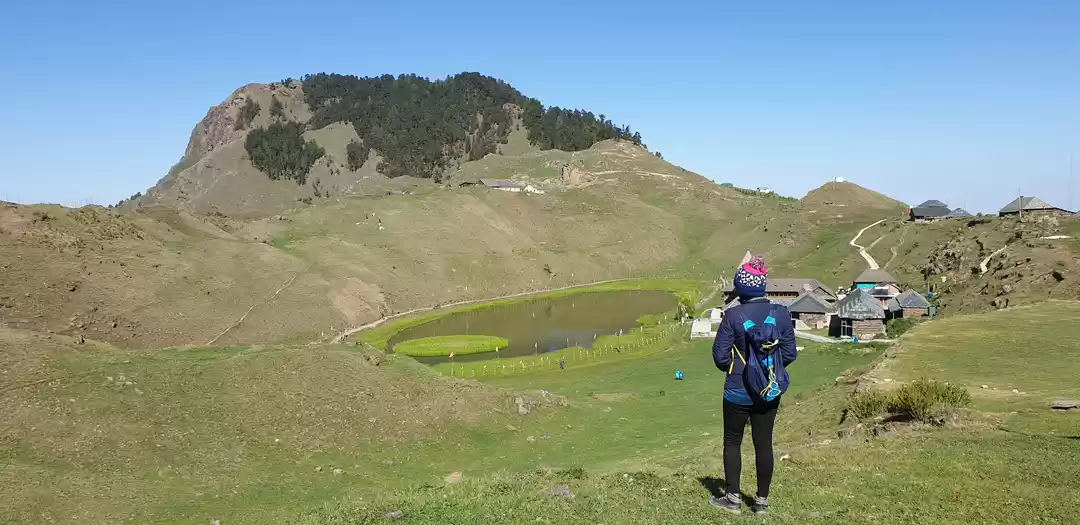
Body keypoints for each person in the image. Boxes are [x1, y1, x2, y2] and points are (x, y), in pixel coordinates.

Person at [710, 255, 797, 515]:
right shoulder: (780, 313)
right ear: (762, 285)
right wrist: (769, 370)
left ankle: (733, 499)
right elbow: (790, 353)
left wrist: (734, 368)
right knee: (764, 443)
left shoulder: (733, 315)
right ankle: (761, 503)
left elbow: (719, 355)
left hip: (737, 390)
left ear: (741, 287)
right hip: (769, 390)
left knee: (732, 441)